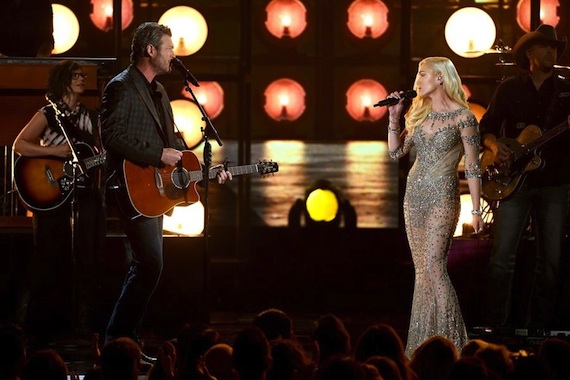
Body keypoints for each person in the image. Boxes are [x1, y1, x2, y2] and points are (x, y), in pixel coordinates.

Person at [100, 22, 232, 362]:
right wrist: (157, 154)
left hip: (155, 191)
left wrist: (207, 171)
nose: (174, 55)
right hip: (132, 186)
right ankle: (117, 339)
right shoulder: (122, 87)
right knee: (150, 264)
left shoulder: (159, 92)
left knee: (147, 265)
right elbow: (111, 137)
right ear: (150, 50)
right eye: (169, 49)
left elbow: (175, 147)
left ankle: (123, 341)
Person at [386, 56, 484, 357]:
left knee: (434, 266)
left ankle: (454, 343)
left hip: (443, 194)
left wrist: (478, 209)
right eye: (418, 74)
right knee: (421, 270)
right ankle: (424, 344)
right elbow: (396, 153)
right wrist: (394, 117)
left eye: (423, 74)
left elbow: (473, 167)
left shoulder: (463, 117)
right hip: (413, 196)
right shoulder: (419, 112)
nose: (418, 80)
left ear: (441, 78)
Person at [479, 24, 570, 332]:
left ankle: (540, 332)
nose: (552, 52)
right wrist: (497, 147)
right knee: (501, 259)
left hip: (555, 183)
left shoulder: (566, 88)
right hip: (513, 183)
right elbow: (487, 126)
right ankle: (496, 329)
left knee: (551, 263)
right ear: (530, 53)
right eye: (545, 47)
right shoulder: (509, 87)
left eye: (555, 48)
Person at [13, 60, 105, 344]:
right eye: (77, 75)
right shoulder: (48, 113)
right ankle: (22, 324)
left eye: (84, 75)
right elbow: (20, 144)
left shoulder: (92, 116)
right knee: (48, 255)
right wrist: (56, 151)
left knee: (86, 257)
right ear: (64, 80)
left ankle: (79, 324)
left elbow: (101, 152)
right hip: (52, 193)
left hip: (84, 193)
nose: (83, 79)